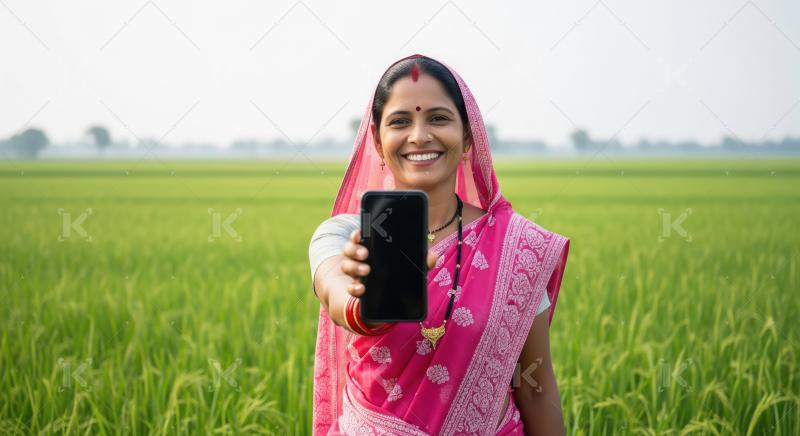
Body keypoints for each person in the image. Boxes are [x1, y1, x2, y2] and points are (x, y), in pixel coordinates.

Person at [309, 54, 570, 435]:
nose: (419, 135)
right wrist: (365, 301)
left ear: (468, 137)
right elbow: (339, 296)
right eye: (400, 122)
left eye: (438, 118)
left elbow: (533, 387)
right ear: (378, 144)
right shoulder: (342, 236)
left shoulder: (518, 249)